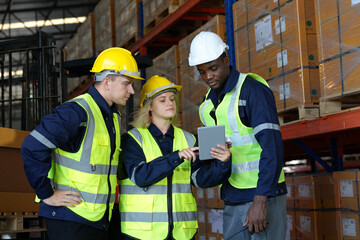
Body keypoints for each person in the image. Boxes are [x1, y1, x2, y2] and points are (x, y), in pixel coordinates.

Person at [20, 47, 143, 240]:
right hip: (71, 217)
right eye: (127, 83)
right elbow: (32, 146)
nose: (132, 90)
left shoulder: (111, 116)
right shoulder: (76, 111)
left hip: (96, 218)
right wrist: (46, 193)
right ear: (107, 81)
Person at [188, 31, 287, 240]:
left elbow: (273, 147)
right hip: (233, 196)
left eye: (213, 68)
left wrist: (260, 201)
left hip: (263, 196)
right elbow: (213, 156)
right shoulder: (207, 105)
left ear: (226, 60)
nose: (208, 76)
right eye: (202, 71)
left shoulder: (252, 91)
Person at [118, 75, 232, 240]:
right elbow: (140, 176)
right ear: (150, 106)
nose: (170, 103)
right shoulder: (133, 139)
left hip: (181, 231)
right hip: (143, 233)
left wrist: (222, 163)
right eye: (162, 100)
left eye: (172, 99)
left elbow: (198, 179)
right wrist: (176, 157)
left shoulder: (187, 139)